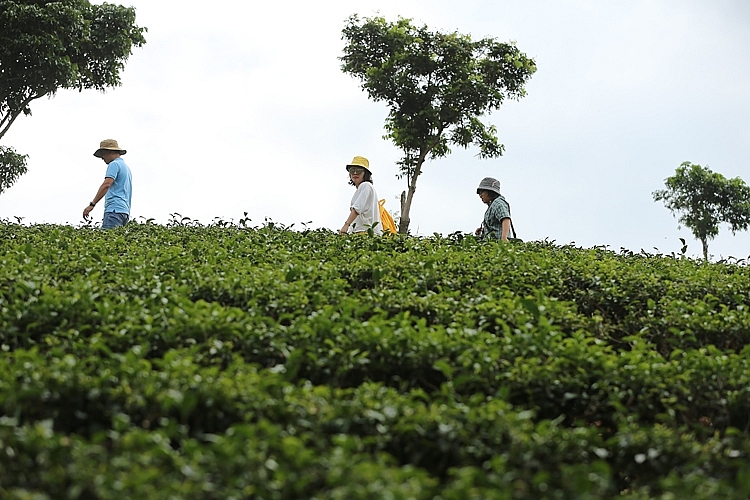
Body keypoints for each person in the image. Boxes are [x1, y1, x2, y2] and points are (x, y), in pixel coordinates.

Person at [83, 139, 132, 229]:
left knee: (106, 241)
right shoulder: (126, 168)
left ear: (110, 152)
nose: (102, 157)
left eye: (103, 154)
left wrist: (92, 204)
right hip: (124, 211)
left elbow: (106, 185)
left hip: (114, 210)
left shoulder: (114, 164)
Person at [340, 156, 382, 236]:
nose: (355, 173)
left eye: (358, 170)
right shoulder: (364, 188)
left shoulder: (366, 186)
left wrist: (346, 225)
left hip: (365, 232)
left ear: (365, 173)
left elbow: (357, 209)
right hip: (364, 232)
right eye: (352, 170)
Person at [475, 177, 512, 241]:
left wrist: (504, 238)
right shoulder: (492, 205)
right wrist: (484, 230)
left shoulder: (498, 203)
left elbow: (505, 219)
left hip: (498, 243)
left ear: (490, 192)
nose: (480, 195)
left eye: (482, 192)